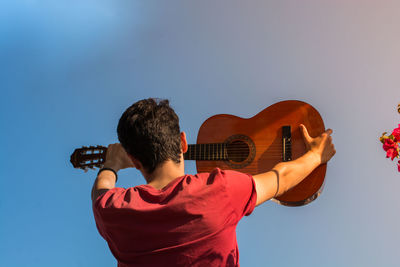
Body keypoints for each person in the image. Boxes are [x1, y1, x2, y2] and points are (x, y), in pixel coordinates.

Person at [91, 98, 336, 267]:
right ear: (183, 143)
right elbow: (280, 178)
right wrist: (316, 155)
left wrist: (110, 164)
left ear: (134, 161)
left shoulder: (114, 210)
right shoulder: (221, 189)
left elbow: (101, 192)